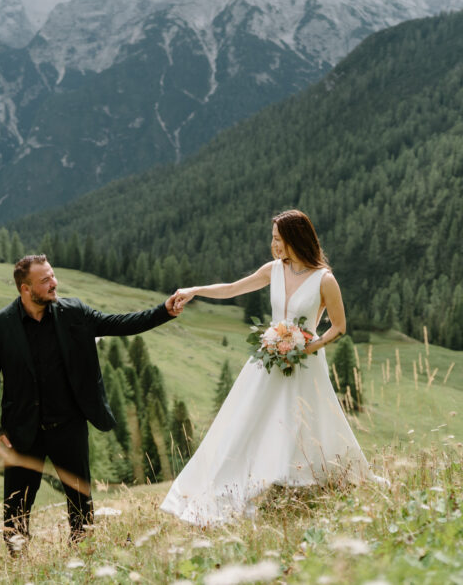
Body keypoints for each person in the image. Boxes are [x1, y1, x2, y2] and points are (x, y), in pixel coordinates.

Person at [160, 210, 386, 526]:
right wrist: (195, 291)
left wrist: (307, 347)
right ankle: (247, 483)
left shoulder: (325, 280)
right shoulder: (273, 270)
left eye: (278, 239)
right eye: (273, 238)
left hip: (305, 363)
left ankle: (302, 482)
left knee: (304, 421)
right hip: (269, 360)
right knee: (249, 420)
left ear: (295, 239)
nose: (273, 245)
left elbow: (339, 326)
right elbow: (232, 288)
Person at [0, 254, 183, 551]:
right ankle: (17, 566)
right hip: (22, 432)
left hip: (68, 428)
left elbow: (118, 324)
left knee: (80, 506)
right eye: (45, 280)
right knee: (16, 511)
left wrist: (163, 311)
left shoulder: (73, 312)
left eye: (53, 275)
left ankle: (83, 560)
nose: (54, 283)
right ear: (25, 288)